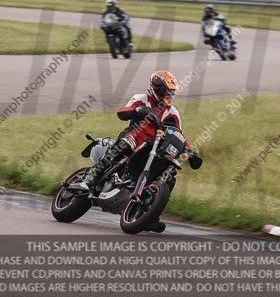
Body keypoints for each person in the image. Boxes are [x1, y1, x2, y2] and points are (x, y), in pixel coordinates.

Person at [77, 71, 202, 232]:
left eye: (170, 91)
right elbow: (122, 111)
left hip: (155, 146)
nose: (168, 94)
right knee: (126, 144)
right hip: (134, 137)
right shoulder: (142, 99)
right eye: (164, 90)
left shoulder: (173, 113)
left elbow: (179, 135)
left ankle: (148, 215)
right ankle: (93, 175)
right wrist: (138, 111)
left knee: (169, 176)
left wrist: (191, 152)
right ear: (155, 88)